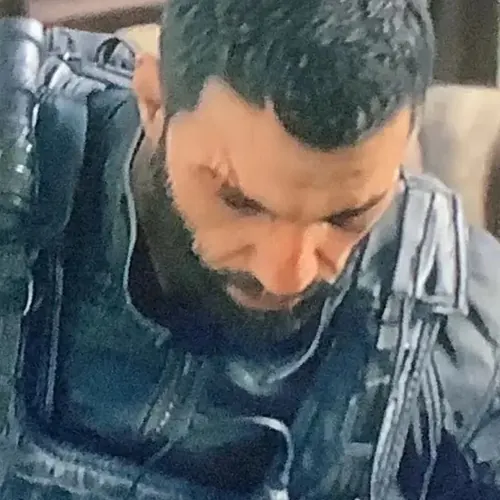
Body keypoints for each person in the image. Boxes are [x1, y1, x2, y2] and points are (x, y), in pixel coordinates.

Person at [2, 1, 500, 499]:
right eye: (240, 202)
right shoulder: (16, 152)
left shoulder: (467, 354)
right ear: (154, 102)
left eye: (347, 216)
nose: (287, 274)